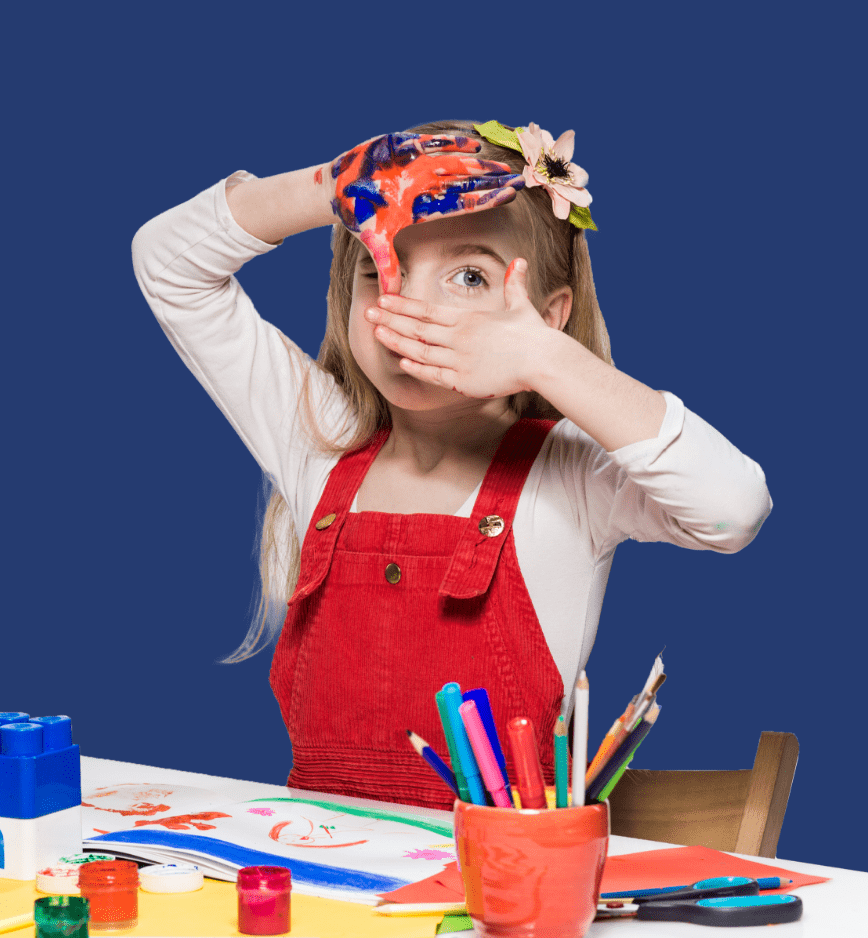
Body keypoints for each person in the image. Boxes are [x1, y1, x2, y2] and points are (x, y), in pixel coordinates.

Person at [130, 121, 771, 808]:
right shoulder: (318, 441)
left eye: (468, 277)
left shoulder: (569, 474)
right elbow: (167, 262)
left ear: (549, 318)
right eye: (379, 270)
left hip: (499, 870)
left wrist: (546, 361)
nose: (411, 307)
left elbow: (733, 510)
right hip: (319, 860)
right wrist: (339, 186)